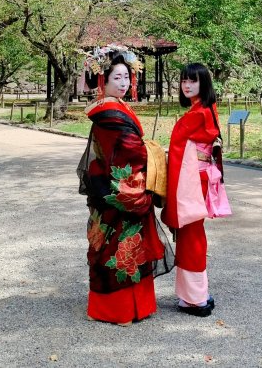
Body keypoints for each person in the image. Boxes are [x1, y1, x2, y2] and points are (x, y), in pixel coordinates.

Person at [77, 46, 173, 326]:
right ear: (103, 81)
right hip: (118, 186)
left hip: (120, 183)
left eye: (126, 78)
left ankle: (135, 306)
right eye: (116, 78)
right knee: (119, 246)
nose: (123, 83)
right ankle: (117, 310)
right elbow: (129, 150)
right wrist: (152, 151)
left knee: (127, 245)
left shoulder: (117, 107)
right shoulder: (108, 111)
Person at [162, 62, 231, 317]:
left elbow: (181, 147)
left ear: (204, 83)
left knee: (190, 235)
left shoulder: (198, 113)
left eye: (193, 80)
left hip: (191, 180)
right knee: (192, 234)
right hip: (196, 176)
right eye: (183, 81)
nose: (187, 85)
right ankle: (193, 295)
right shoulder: (205, 109)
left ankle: (196, 299)